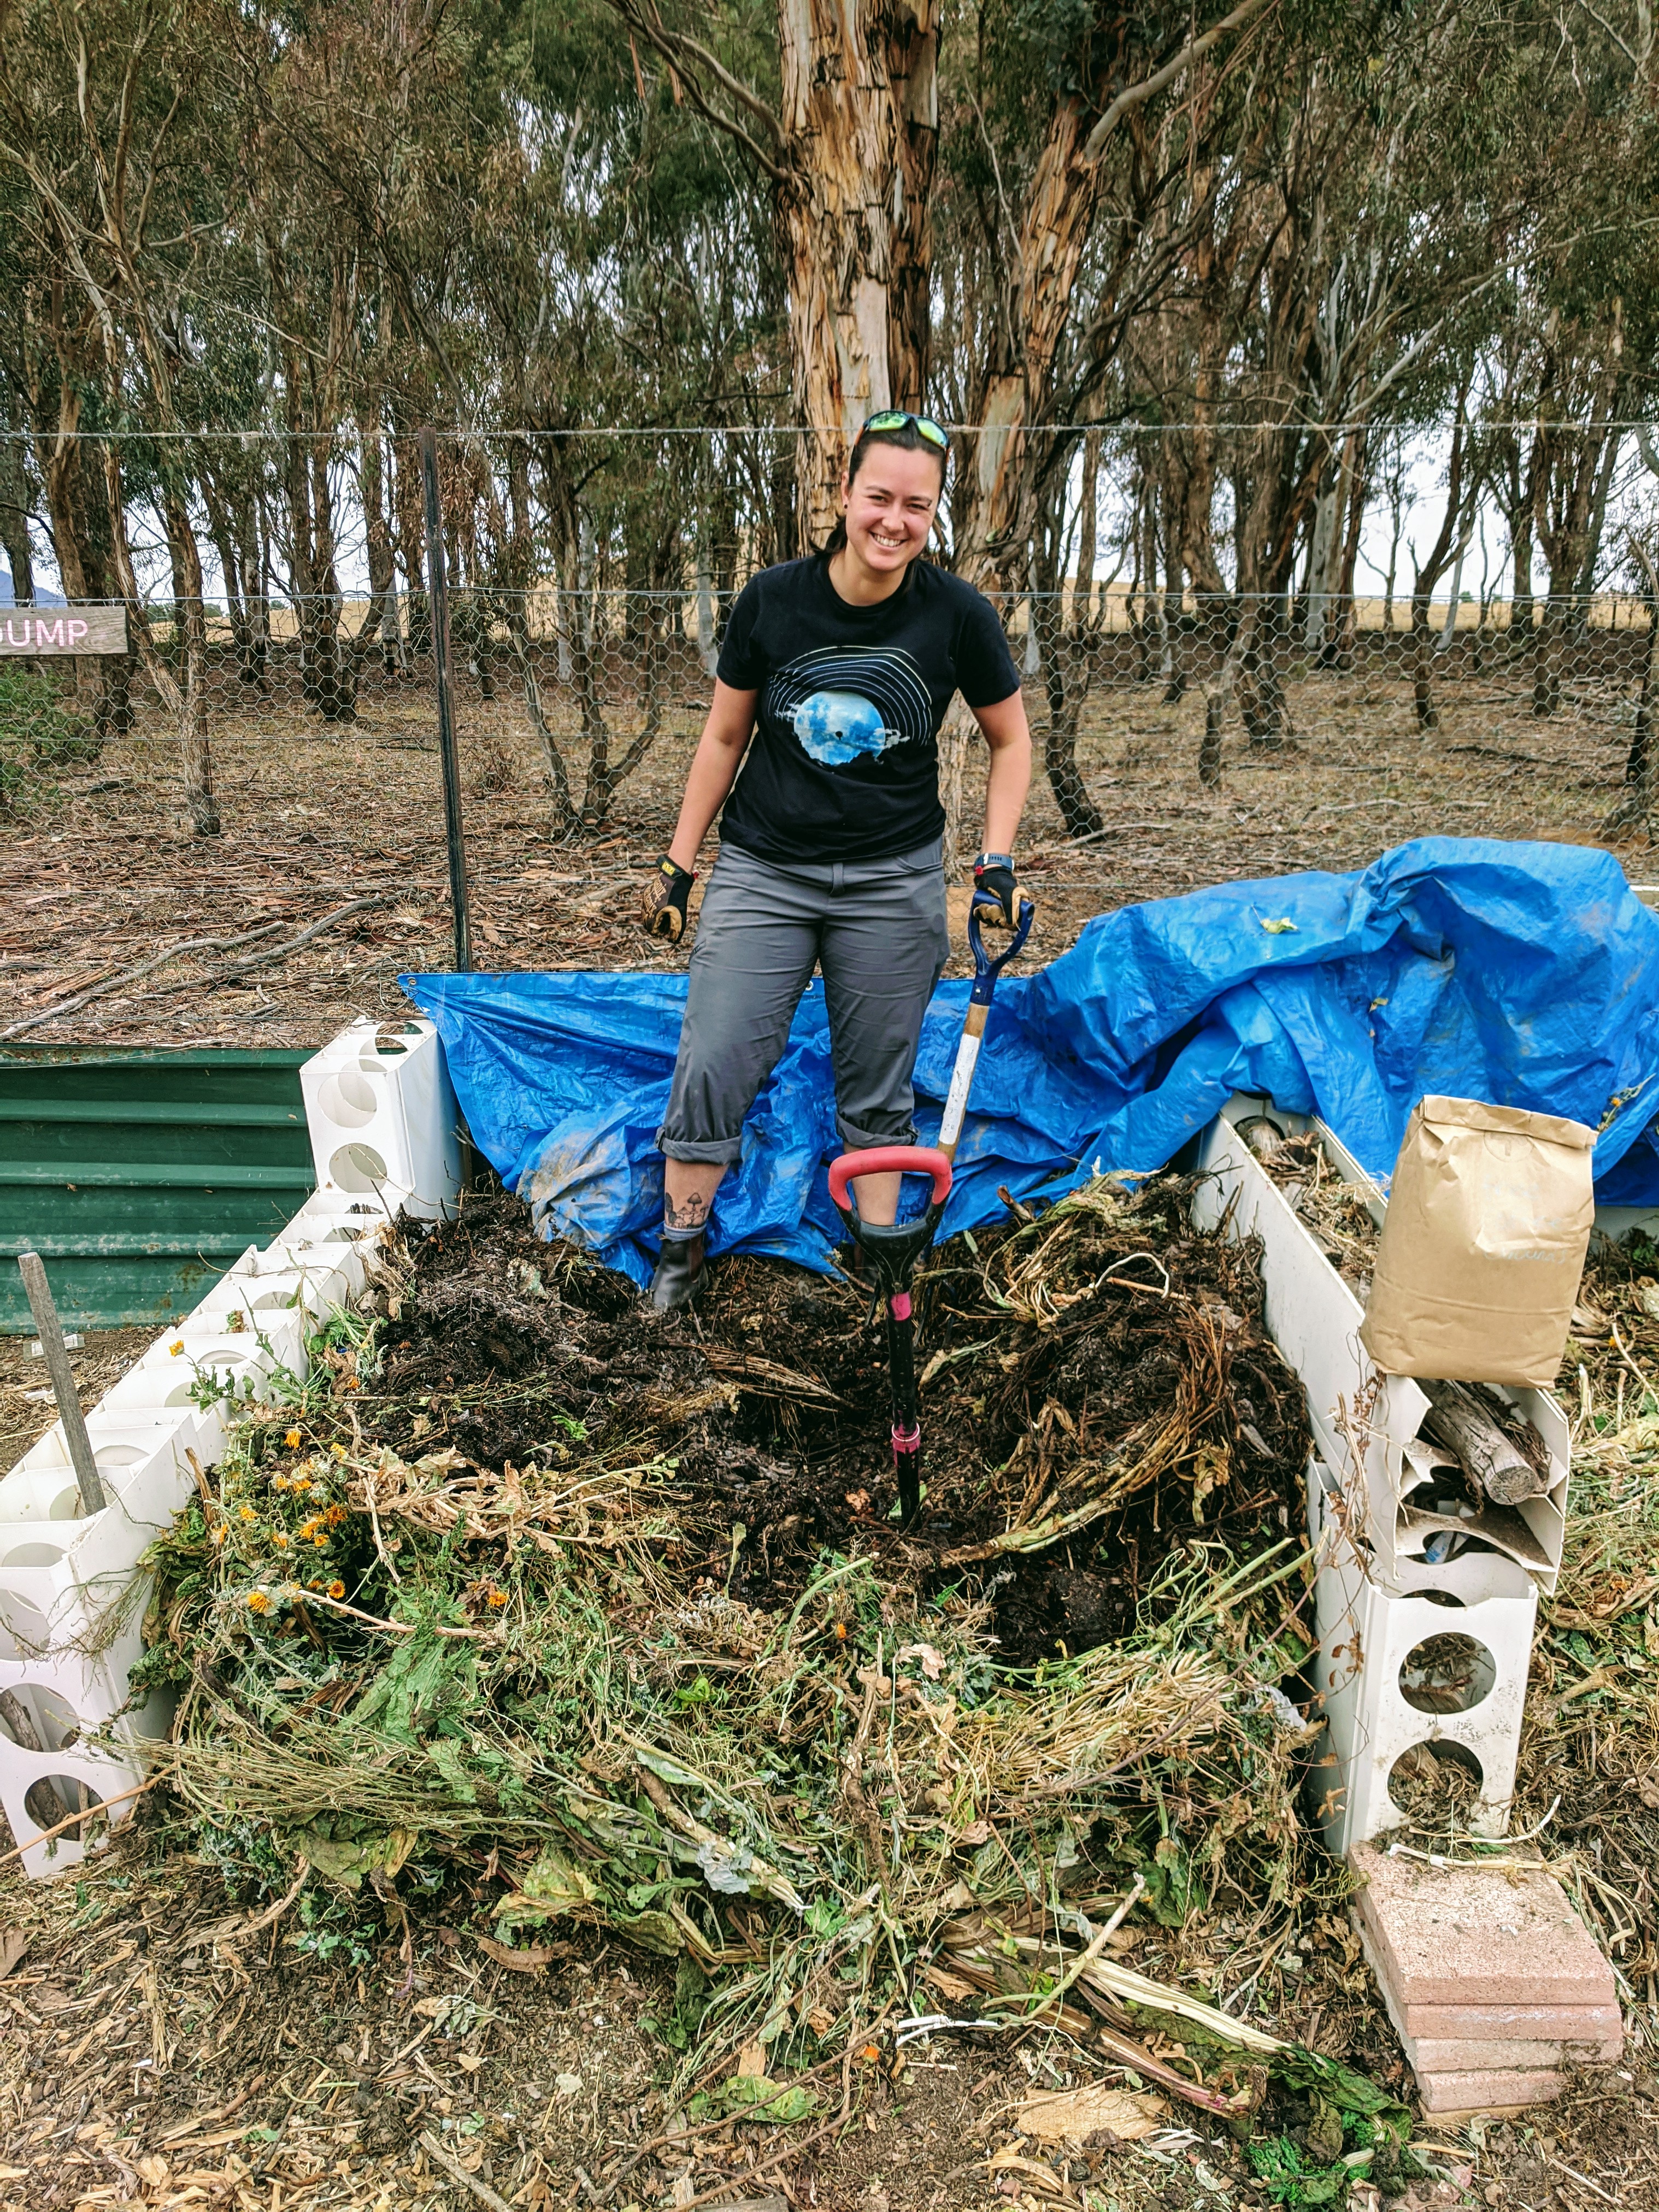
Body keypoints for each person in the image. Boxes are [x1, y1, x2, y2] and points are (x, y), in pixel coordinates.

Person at [639, 409, 1034, 1310]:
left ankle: (879, 1260)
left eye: (917, 506)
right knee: (717, 1055)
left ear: (935, 516)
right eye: (879, 498)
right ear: (847, 495)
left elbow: (1011, 744)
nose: (894, 521)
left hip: (891, 879)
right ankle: (680, 1250)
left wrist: (995, 864)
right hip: (764, 869)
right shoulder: (774, 602)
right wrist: (679, 866)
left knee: (878, 1085)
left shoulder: (957, 615)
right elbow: (725, 733)